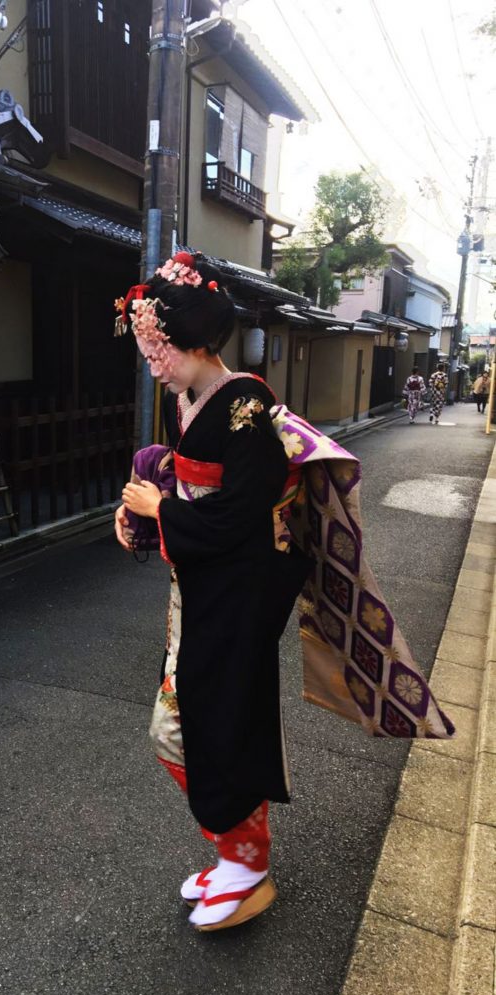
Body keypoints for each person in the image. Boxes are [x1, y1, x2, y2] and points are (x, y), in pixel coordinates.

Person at [113, 252, 455, 935]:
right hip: (202, 590)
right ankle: (232, 853)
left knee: (215, 726)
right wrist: (142, 507)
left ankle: (249, 867)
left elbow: (240, 514)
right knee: (183, 726)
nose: (155, 365)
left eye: (161, 351)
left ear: (197, 342)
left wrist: (163, 512)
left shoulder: (246, 404)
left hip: (238, 596)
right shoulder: (190, 397)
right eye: (148, 351)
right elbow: (182, 478)